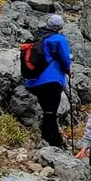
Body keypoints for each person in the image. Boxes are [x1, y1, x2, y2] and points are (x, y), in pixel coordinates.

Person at [22, 14, 73, 148]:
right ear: (60, 27)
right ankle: (52, 142)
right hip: (52, 80)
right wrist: (68, 69)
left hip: (35, 81)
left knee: (48, 111)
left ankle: (52, 139)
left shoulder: (39, 37)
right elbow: (66, 59)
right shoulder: (58, 39)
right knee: (51, 112)